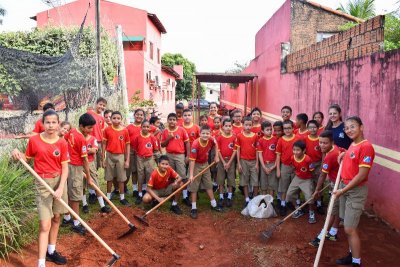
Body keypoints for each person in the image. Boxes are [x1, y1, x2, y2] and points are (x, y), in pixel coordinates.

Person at [12, 109, 69, 267]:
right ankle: (41, 262)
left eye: (54, 122)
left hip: (59, 182)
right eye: (48, 122)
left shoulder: (62, 143)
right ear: (42, 124)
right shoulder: (35, 140)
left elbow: (65, 168)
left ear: (58, 124)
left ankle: (51, 251)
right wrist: (17, 154)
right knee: (45, 224)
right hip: (42, 183)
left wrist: (60, 188)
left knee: (57, 217)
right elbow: (26, 158)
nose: (51, 125)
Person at [333, 116, 375, 267]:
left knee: (350, 228)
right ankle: (352, 255)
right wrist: (344, 154)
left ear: (361, 127)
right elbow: (353, 159)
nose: (349, 130)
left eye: (352, 126)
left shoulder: (366, 147)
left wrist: (342, 190)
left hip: (355, 191)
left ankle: (356, 263)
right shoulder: (353, 144)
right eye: (346, 128)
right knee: (349, 226)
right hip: (346, 188)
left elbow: (362, 175)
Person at [309, 130, 345, 247]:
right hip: (338, 181)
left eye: (325, 143)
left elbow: (322, 175)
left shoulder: (331, 155)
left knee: (331, 210)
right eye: (320, 142)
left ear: (331, 142)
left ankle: (321, 236)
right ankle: (333, 232)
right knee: (337, 208)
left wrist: (317, 191)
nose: (322, 145)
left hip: (339, 184)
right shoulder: (336, 148)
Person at [63, 113, 96, 235]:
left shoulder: (71, 131)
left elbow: (64, 139)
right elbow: (85, 160)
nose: (90, 130)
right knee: (76, 196)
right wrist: (89, 177)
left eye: (92, 128)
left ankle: (67, 218)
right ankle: (76, 223)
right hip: (75, 167)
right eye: (88, 128)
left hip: (67, 165)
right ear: (81, 126)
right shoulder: (81, 138)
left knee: (68, 193)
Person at [188, 125, 222, 219]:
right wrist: (191, 175)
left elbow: (216, 143)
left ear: (210, 134)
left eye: (207, 133)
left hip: (206, 164)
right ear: (199, 134)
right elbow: (192, 160)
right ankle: (193, 208)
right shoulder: (195, 144)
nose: (205, 135)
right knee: (194, 186)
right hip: (196, 165)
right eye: (203, 133)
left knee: (208, 184)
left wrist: (216, 156)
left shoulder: (211, 139)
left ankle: (213, 204)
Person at [102, 111, 130, 206]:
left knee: (121, 178)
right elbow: (104, 144)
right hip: (110, 155)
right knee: (109, 177)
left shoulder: (125, 130)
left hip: (120, 156)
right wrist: (103, 158)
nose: (116, 120)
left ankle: (122, 197)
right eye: (114, 118)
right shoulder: (107, 130)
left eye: (118, 118)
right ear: (111, 119)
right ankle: (108, 197)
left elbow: (127, 145)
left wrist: (127, 160)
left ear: (121, 119)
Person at [286, 140, 317, 224]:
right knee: (289, 194)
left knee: (309, 198)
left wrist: (311, 181)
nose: (295, 152)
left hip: (307, 179)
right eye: (294, 150)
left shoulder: (308, 159)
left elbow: (312, 171)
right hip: (297, 177)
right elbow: (294, 166)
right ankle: (298, 209)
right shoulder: (293, 157)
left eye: (298, 150)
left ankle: (311, 213)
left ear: (303, 151)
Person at [161, 113, 190, 200]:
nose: (172, 121)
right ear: (167, 121)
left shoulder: (181, 130)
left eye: (174, 120)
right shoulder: (165, 131)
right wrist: (169, 138)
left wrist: (188, 155)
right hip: (169, 155)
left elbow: (187, 143)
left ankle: (185, 195)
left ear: (177, 121)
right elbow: (162, 145)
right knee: (170, 176)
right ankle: (172, 194)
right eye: (170, 120)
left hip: (180, 155)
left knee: (182, 176)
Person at [82, 134, 112, 213]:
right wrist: (88, 149)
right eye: (88, 127)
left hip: (90, 163)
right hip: (80, 164)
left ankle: (102, 205)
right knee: (82, 185)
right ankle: (84, 204)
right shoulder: (78, 137)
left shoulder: (92, 138)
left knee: (95, 184)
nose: (90, 130)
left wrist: (82, 150)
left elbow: (94, 150)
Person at [132, 120, 158, 204]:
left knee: (149, 176)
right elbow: (135, 148)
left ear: (150, 128)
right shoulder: (137, 137)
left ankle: (148, 194)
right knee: (140, 176)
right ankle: (139, 194)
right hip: (140, 158)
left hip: (149, 159)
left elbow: (155, 149)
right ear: (141, 127)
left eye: (147, 127)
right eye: (144, 126)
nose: (146, 128)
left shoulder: (152, 137)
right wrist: (140, 154)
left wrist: (151, 156)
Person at [276, 120, 299, 216]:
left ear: (293, 128)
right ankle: (283, 204)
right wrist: (278, 169)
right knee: (284, 186)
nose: (287, 130)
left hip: (295, 166)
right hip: (284, 166)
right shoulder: (281, 140)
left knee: (294, 186)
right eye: (285, 128)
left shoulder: (297, 138)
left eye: (289, 128)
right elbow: (278, 155)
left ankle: (295, 205)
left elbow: (301, 153)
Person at [236, 116, 259, 207]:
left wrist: (257, 163)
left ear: (252, 125)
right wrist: (238, 163)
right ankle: (246, 198)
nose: (248, 127)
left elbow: (257, 150)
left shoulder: (255, 136)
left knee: (255, 180)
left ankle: (255, 197)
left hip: (253, 161)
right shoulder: (239, 136)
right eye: (246, 125)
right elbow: (238, 150)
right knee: (244, 180)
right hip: (243, 161)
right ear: (243, 125)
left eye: (250, 125)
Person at [216, 118, 237, 207]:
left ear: (232, 127)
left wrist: (229, 163)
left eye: (229, 126)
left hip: (231, 161)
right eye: (226, 126)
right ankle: (221, 197)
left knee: (231, 179)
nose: (228, 128)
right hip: (222, 161)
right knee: (220, 179)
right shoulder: (219, 137)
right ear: (223, 127)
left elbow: (235, 150)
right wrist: (224, 162)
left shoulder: (234, 137)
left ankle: (229, 196)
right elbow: (218, 150)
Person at [181, 109, 200, 206]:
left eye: (189, 115)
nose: (187, 117)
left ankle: (193, 190)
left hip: (194, 154)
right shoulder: (180, 127)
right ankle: (185, 195)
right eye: (185, 115)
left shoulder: (196, 127)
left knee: (193, 173)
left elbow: (200, 141)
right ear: (182, 116)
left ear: (192, 116)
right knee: (184, 174)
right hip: (182, 154)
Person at [305, 120, 323, 214]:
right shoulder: (305, 139)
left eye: (314, 127)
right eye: (310, 127)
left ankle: (319, 203)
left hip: (318, 164)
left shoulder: (321, 139)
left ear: (318, 128)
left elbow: (324, 153)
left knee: (318, 185)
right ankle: (310, 205)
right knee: (310, 185)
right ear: (308, 128)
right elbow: (303, 153)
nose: (312, 129)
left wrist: (322, 165)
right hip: (308, 165)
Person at [127, 109, 145, 197]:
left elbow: (155, 131)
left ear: (143, 116)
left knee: (141, 171)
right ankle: (134, 189)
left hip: (142, 152)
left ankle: (143, 188)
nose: (139, 116)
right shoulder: (129, 127)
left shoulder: (145, 126)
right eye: (137, 114)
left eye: (141, 115)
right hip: (131, 151)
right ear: (134, 115)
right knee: (134, 170)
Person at [257, 121, 278, 196]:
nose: (269, 131)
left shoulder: (275, 140)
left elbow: (277, 155)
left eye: (270, 129)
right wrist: (263, 167)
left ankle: (270, 201)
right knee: (263, 184)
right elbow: (260, 154)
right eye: (267, 130)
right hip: (264, 164)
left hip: (272, 164)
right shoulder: (260, 140)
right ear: (262, 131)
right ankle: (264, 200)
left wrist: (274, 166)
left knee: (271, 184)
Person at [87, 97, 107, 170]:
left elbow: (101, 130)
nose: (101, 107)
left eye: (104, 106)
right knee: (92, 161)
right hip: (91, 141)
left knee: (98, 162)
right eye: (100, 104)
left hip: (99, 142)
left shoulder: (102, 118)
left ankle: (95, 175)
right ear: (96, 104)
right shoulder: (90, 113)